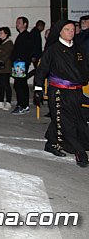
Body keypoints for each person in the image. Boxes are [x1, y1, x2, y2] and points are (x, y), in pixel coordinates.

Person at [34, 20, 89, 167]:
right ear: (59, 31)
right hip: (58, 91)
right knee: (66, 122)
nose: (70, 32)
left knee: (73, 119)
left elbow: (84, 68)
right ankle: (79, 151)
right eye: (67, 29)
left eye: (72, 29)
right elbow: (42, 70)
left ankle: (51, 143)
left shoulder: (78, 49)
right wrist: (38, 89)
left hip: (75, 91)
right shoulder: (53, 49)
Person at [11, 16, 34, 115]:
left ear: (25, 24)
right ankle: (22, 104)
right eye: (16, 22)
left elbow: (28, 50)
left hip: (21, 63)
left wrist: (22, 60)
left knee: (20, 84)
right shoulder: (21, 35)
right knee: (19, 84)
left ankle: (23, 105)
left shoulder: (27, 36)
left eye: (19, 22)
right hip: (18, 63)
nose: (17, 24)